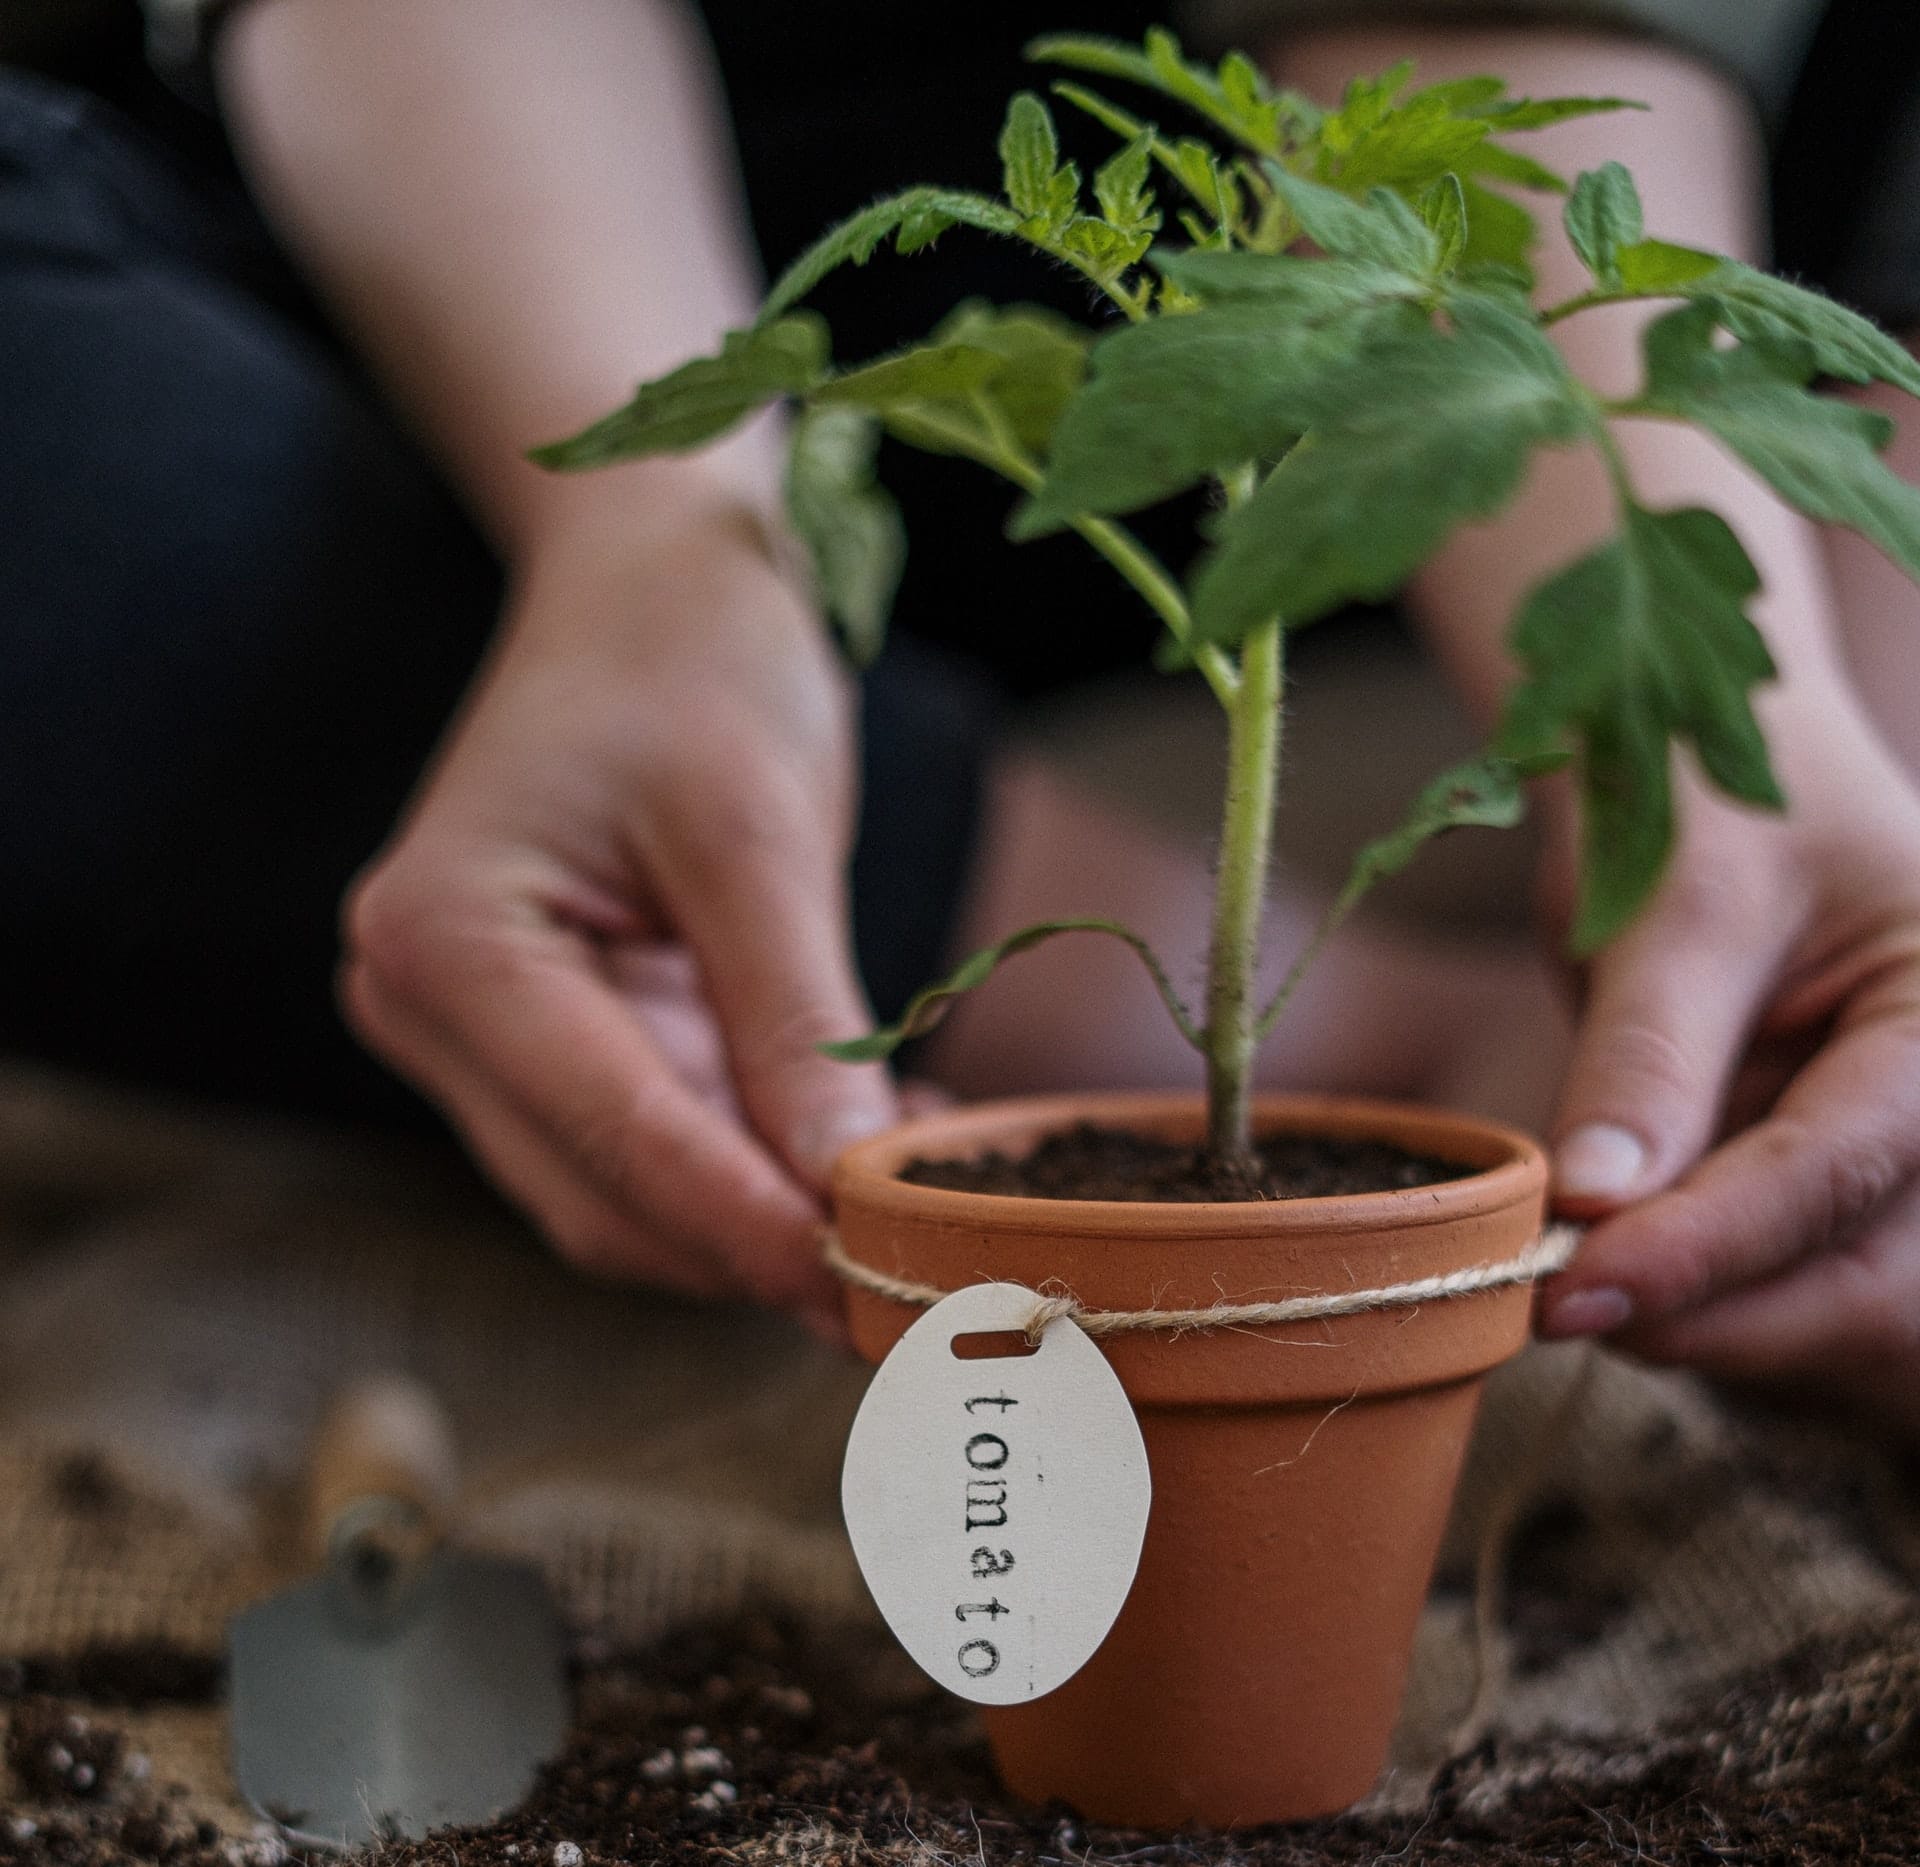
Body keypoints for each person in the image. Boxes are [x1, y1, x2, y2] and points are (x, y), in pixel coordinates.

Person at [2, 1, 1916, 1428]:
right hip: (546, 288)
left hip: (1507, 233)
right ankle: (1388, 1042)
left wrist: (1693, 714)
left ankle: (1812, 939)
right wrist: (661, 537)